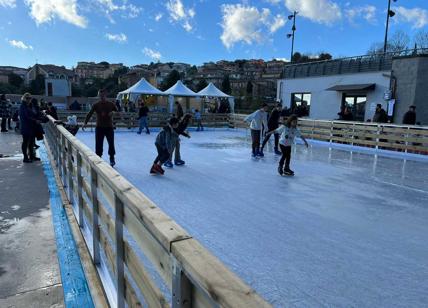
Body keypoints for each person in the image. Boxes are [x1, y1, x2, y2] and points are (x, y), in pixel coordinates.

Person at [83, 89, 118, 167]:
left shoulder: (111, 104)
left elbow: (118, 112)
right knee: (98, 144)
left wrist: (113, 112)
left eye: (103, 95)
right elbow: (90, 113)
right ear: (99, 96)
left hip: (109, 127)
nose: (102, 97)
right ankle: (98, 158)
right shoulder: (96, 105)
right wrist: (85, 122)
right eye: (100, 95)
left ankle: (112, 158)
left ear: (106, 95)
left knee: (111, 144)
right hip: (99, 128)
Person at [19, 93, 40, 163]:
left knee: (31, 142)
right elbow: (25, 117)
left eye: (30, 98)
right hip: (25, 127)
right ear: (24, 98)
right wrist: (35, 120)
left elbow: (34, 114)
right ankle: (25, 157)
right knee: (25, 142)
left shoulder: (30, 106)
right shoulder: (23, 106)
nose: (29, 99)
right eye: (27, 98)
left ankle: (32, 156)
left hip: (31, 127)